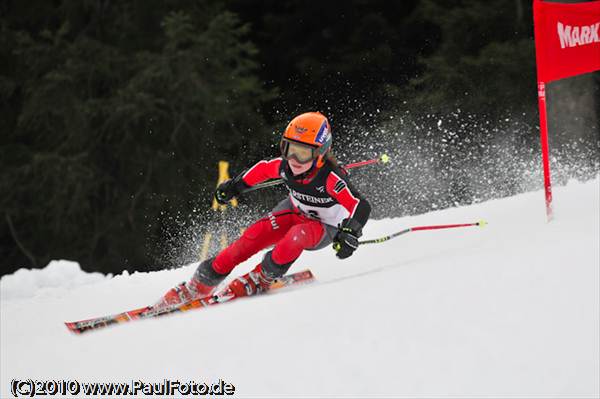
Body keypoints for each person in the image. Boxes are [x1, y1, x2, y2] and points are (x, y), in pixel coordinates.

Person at [157, 112, 371, 306]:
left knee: (296, 236)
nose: (294, 160)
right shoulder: (285, 167)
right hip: (294, 213)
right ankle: (200, 284)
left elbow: (360, 205)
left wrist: (350, 232)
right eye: (289, 149)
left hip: (323, 227)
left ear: (320, 153)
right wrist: (234, 187)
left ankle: (261, 278)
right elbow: (262, 170)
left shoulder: (331, 178)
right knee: (251, 237)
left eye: (303, 154)